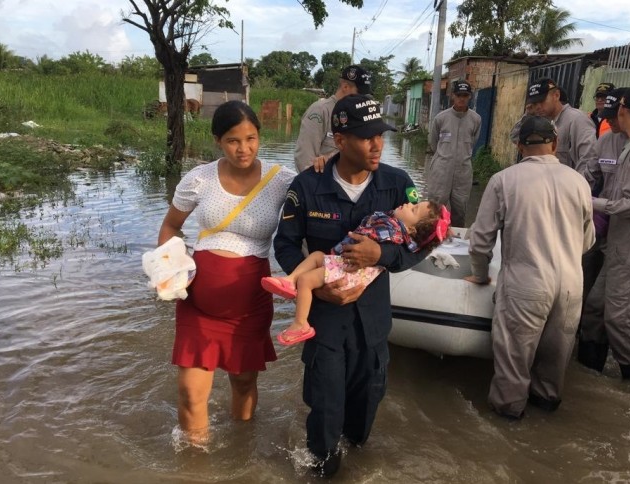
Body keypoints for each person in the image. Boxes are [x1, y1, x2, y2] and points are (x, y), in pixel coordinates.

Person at [273, 94, 427, 477]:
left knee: (364, 411)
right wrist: (317, 287)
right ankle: (323, 467)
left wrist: (382, 255)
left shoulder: (398, 185)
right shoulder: (308, 185)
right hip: (324, 320)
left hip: (372, 321)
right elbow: (286, 243)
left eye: (380, 135)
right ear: (340, 141)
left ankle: (356, 460)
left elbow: (423, 243)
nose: (377, 144)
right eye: (365, 136)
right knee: (325, 410)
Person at [155, 100, 296, 444]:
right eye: (233, 140)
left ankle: (241, 450)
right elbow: (171, 227)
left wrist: (322, 164)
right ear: (218, 140)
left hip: (250, 305)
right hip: (198, 304)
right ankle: (195, 467)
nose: (243, 148)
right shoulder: (199, 179)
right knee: (190, 393)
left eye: (251, 138)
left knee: (244, 384)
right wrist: (170, 271)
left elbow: (321, 197)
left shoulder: (283, 181)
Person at [465, 115, 595, 419]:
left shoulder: (504, 180)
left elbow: (481, 241)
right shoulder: (578, 181)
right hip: (571, 287)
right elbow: (587, 241)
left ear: (519, 146)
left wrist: (481, 275)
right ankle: (546, 412)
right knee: (553, 369)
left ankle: (508, 428)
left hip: (526, 285)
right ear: (556, 144)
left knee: (513, 367)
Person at [264, 200, 449, 345]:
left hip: (349, 270)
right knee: (316, 255)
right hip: (342, 262)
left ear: (411, 229)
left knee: (306, 280)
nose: (408, 203)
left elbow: (409, 249)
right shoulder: (393, 222)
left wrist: (379, 253)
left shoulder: (393, 231)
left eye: (414, 209)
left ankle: (301, 323)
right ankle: (289, 280)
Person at [579, 87, 630, 383]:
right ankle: (589, 380)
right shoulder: (628, 144)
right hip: (619, 243)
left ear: (624, 110)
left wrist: (592, 203)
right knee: (594, 311)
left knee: (624, 322)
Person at [577, 88, 628, 314]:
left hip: (627, 232)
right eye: (605, 114)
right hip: (599, 225)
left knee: (610, 297)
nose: (608, 120)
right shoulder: (606, 141)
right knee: (584, 277)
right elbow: (591, 174)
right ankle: (579, 329)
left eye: (613, 115)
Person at [424, 79, 482, 228]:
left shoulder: (476, 119)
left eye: (465, 95)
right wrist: (445, 157)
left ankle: (456, 245)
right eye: (459, 95)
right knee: (434, 210)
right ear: (453, 96)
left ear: (470, 97)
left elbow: (473, 142)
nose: (461, 98)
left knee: (460, 212)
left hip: (463, 172)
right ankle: (430, 242)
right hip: (441, 170)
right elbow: (434, 142)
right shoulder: (441, 118)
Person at [294, 65, 373, 173]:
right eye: (360, 94)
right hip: (322, 184)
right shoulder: (320, 111)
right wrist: (315, 186)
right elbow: (304, 159)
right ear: (345, 87)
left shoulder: (359, 115)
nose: (362, 99)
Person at [526, 78, 597, 172]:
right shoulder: (542, 121)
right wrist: (527, 114)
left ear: (556, 95)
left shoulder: (577, 120)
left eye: (542, 101)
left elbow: (589, 160)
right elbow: (516, 139)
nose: (538, 106)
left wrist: (578, 185)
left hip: (568, 184)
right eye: (534, 103)